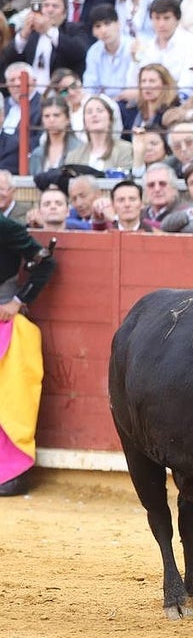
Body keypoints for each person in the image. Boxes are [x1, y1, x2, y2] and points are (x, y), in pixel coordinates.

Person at [0, 210, 56, 496]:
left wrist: (18, 301)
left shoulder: (4, 226)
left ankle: (10, 472)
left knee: (12, 397)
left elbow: (46, 263)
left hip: (3, 322)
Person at [130, 0, 193, 100]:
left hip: (184, 103)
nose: (161, 24)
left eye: (166, 18)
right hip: (151, 102)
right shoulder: (147, 46)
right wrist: (135, 60)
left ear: (177, 19)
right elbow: (132, 85)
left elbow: (188, 86)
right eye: (157, 18)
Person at [64, 94, 132, 172]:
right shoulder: (73, 156)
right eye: (89, 112)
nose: (94, 115)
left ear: (110, 119)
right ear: (84, 122)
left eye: (100, 111)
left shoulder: (125, 149)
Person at [82, 4, 134, 101]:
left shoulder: (132, 47)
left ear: (118, 24)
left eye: (107, 23)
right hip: (103, 104)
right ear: (93, 32)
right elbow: (90, 87)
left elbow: (133, 88)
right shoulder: (94, 51)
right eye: (98, 26)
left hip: (130, 103)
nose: (103, 30)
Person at [29, 97, 80, 175]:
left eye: (56, 115)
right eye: (47, 116)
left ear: (67, 119)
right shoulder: (37, 154)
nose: (51, 120)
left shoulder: (78, 150)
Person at [89, 177, 153, 231]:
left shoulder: (154, 234)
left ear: (141, 204)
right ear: (113, 205)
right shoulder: (105, 237)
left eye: (132, 199)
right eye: (121, 200)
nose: (127, 204)